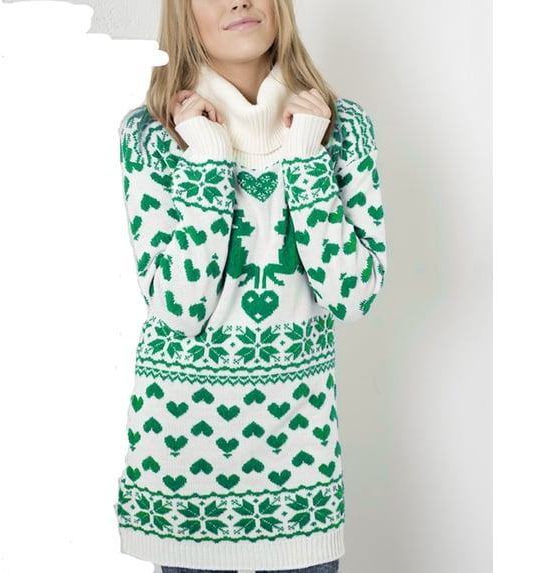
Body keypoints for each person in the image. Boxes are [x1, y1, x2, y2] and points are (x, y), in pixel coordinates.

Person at [113, 0, 387, 571]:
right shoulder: (152, 135)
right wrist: (206, 162)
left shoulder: (342, 128)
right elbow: (179, 309)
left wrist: (306, 161)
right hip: (185, 461)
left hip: (300, 466)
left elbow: (353, 295)